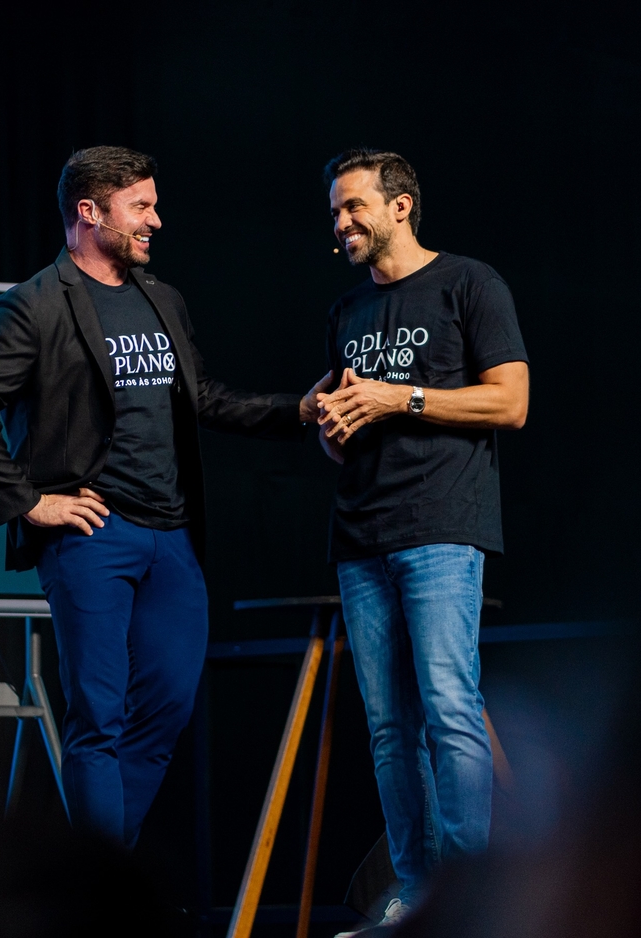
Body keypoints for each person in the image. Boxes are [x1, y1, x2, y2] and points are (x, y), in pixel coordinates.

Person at [0, 145, 329, 849]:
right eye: (140, 206)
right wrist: (28, 502)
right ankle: (97, 902)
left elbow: (202, 397)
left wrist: (292, 412)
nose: (156, 219)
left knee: (169, 707)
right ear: (89, 212)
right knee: (98, 719)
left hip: (172, 537)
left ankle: (99, 876)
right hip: (93, 538)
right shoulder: (32, 306)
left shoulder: (162, 299)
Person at [315, 149, 529, 932]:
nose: (341, 223)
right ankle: (415, 891)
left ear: (400, 206)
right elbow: (347, 432)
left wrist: (397, 396)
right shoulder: (346, 312)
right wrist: (329, 421)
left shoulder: (470, 283)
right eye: (335, 211)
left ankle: (471, 897)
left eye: (353, 207)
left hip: (442, 527)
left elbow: (510, 403)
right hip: (360, 536)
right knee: (387, 728)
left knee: (448, 707)